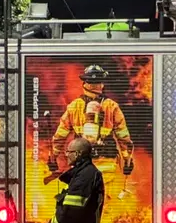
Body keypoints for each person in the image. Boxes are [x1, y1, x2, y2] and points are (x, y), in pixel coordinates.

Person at [50, 64, 133, 199]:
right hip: (107, 163)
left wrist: (53, 158)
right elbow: (124, 138)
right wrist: (128, 161)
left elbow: (60, 136)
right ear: (101, 84)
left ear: (85, 83)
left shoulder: (74, 106)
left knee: (80, 199)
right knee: (106, 201)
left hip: (80, 164)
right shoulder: (111, 106)